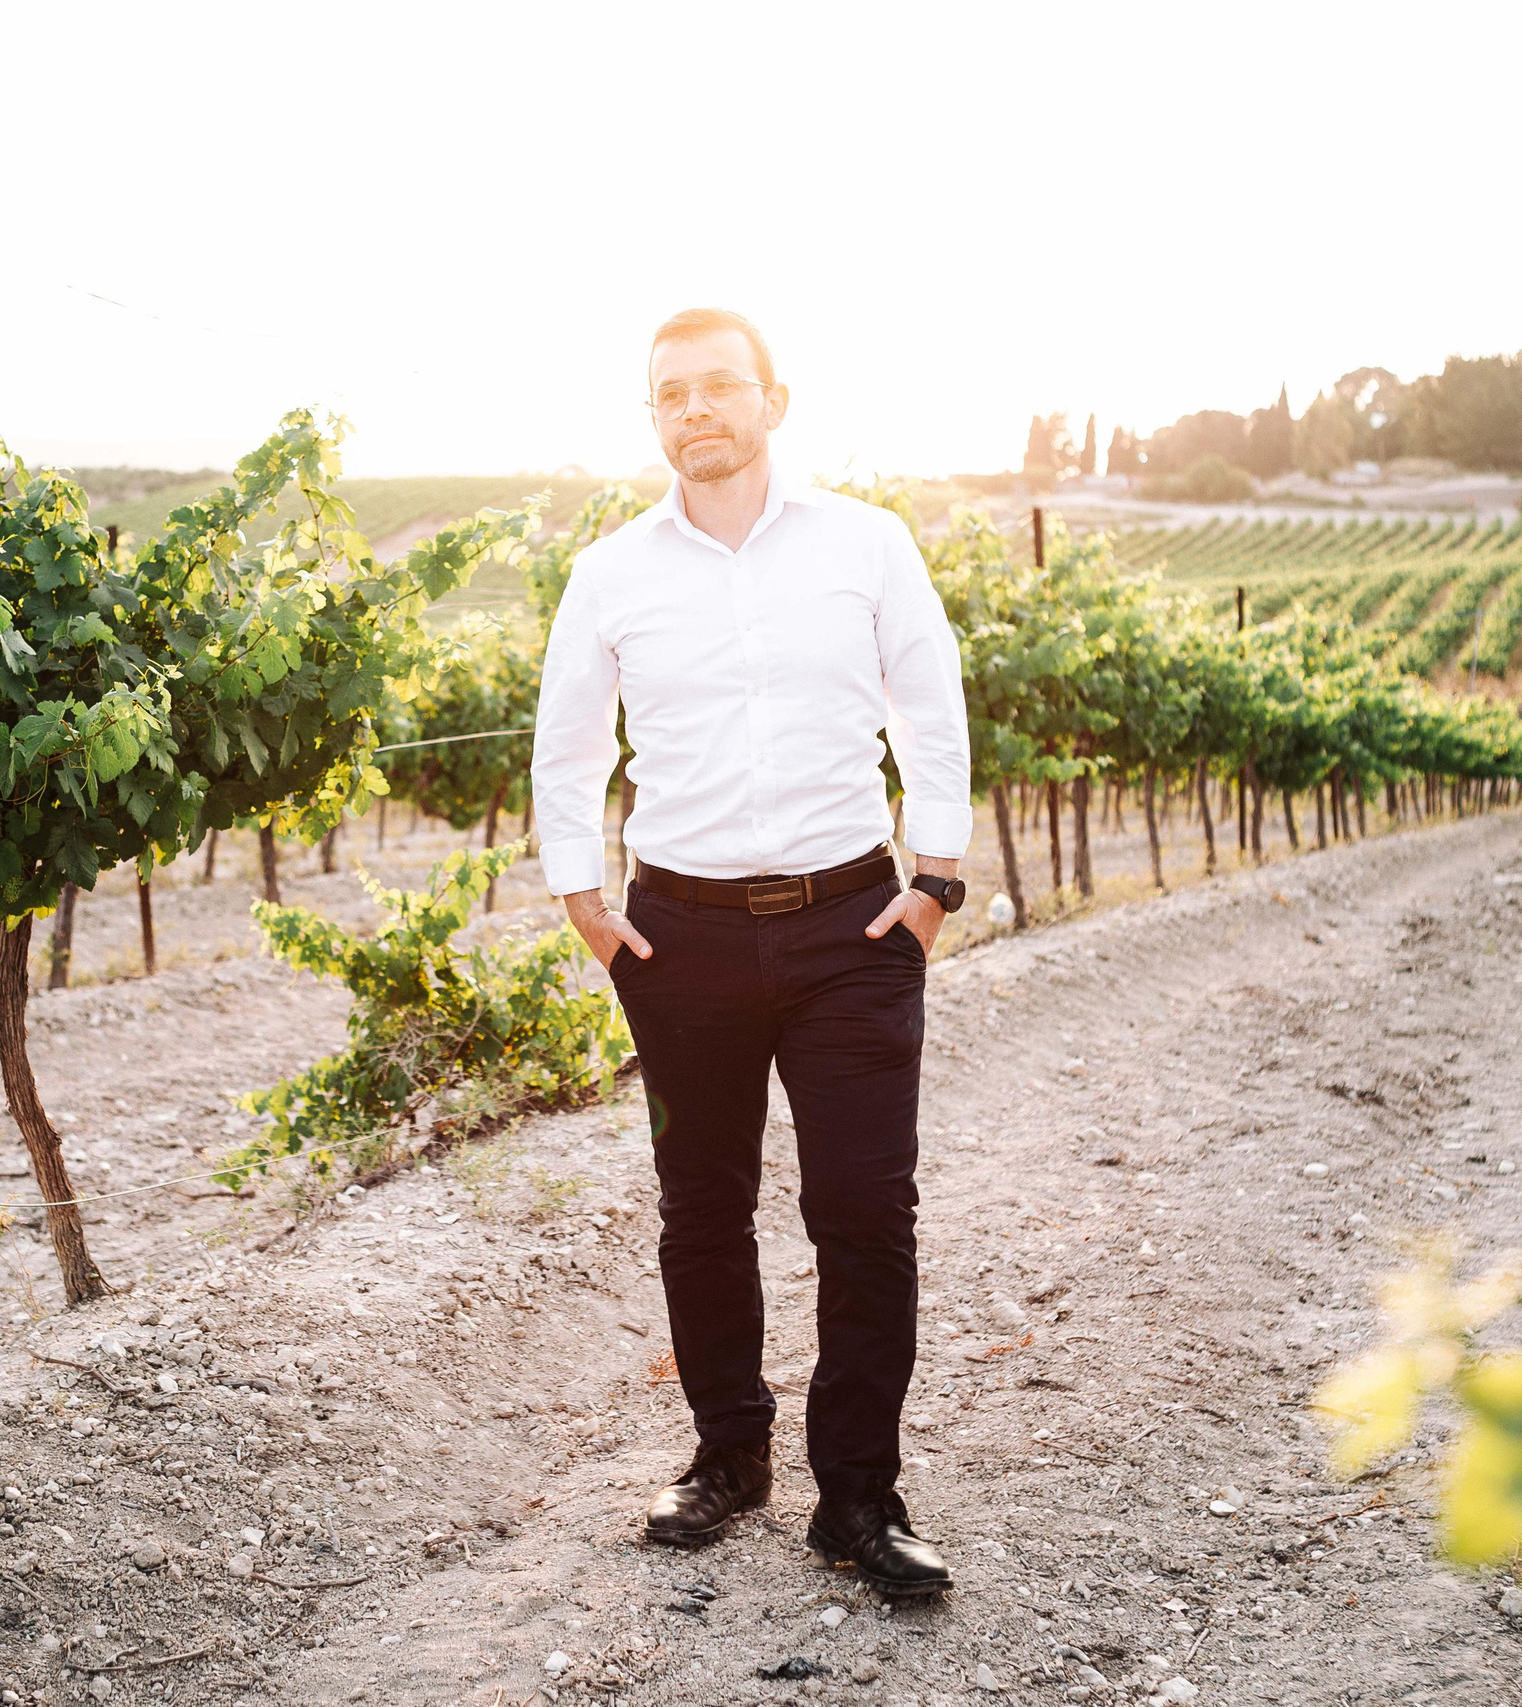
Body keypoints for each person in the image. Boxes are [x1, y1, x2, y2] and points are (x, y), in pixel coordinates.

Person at [530, 307, 972, 1596]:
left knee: (863, 1212)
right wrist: (581, 892)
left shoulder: (867, 546)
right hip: (681, 941)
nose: (697, 410)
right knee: (701, 1213)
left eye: (721, 386)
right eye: (672, 394)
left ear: (774, 401)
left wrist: (935, 876)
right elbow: (566, 744)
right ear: (654, 418)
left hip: (853, 930)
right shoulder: (611, 572)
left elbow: (930, 704)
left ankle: (858, 1497)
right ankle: (728, 1458)